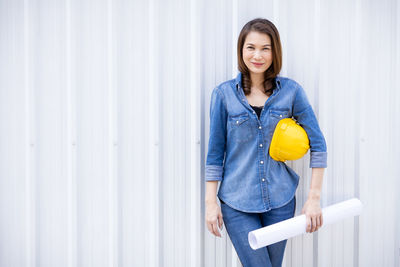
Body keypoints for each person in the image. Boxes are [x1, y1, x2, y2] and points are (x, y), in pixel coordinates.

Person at [204, 18, 327, 267]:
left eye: (265, 48)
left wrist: (314, 197)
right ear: (241, 50)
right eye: (250, 47)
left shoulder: (291, 92)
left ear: (275, 52)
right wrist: (210, 203)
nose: (257, 55)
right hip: (237, 203)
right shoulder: (223, 95)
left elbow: (319, 145)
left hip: (280, 202)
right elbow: (215, 154)